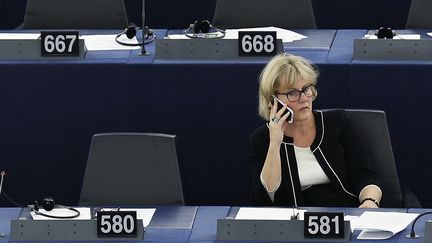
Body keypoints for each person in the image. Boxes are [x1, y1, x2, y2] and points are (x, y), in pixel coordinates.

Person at [250, 54, 382, 208]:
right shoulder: (262, 139)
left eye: (307, 89)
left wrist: (370, 202)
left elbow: (365, 176)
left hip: (346, 214)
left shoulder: (337, 123)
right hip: (294, 223)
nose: (304, 98)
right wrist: (275, 144)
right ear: (273, 101)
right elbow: (265, 200)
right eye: (292, 93)